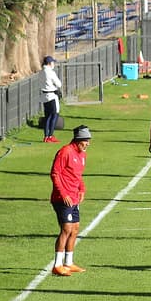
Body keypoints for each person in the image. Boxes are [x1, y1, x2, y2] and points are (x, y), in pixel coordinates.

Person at [49, 124, 91, 276]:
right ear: (79, 139)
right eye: (86, 140)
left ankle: (68, 262)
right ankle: (57, 265)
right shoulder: (65, 152)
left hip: (74, 198)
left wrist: (82, 189)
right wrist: (64, 193)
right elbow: (55, 173)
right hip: (62, 199)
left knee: (75, 228)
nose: (88, 144)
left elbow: (78, 175)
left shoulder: (82, 155)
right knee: (66, 229)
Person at [40, 55, 63, 143]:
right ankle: (50, 135)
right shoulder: (50, 72)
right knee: (54, 115)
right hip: (52, 95)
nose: (54, 64)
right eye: (53, 62)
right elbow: (58, 84)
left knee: (47, 116)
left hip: (44, 95)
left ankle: (46, 136)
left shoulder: (41, 72)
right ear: (49, 63)